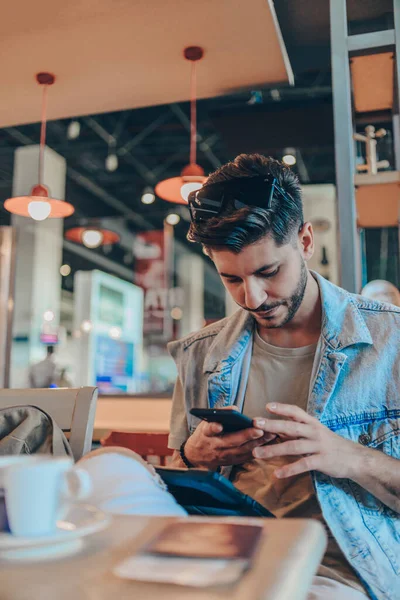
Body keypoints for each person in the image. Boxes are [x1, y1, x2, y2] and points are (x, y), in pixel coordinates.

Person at [166, 154, 400, 600]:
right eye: (231, 279)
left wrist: (347, 457)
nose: (251, 297)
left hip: (341, 568)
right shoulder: (199, 354)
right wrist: (194, 458)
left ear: (306, 240)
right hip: (222, 551)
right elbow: (174, 481)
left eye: (268, 271)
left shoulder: (392, 339)